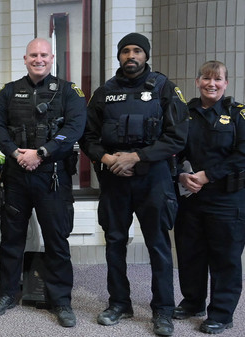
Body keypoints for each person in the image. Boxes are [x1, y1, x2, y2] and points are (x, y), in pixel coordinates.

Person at [79, 33, 189, 336]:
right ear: (119, 56)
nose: (131, 56)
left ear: (146, 55)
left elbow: (177, 137)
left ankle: (163, 310)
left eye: (137, 50)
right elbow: (87, 137)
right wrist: (109, 158)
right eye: (126, 51)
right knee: (114, 243)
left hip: (154, 179)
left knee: (158, 245)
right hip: (115, 179)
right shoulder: (103, 93)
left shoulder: (165, 88)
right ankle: (119, 303)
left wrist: (137, 157)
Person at [0, 38, 86, 327]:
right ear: (25, 58)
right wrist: (17, 153)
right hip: (17, 176)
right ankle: (6, 294)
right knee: (11, 239)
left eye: (43, 54)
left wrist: (42, 153)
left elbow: (76, 127)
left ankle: (62, 301)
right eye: (33, 55)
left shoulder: (69, 91)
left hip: (52, 177)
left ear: (51, 57)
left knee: (56, 240)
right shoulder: (8, 91)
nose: (38, 59)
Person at [173, 61, 245, 334]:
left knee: (225, 258)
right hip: (190, 196)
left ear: (226, 83)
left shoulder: (237, 114)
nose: (211, 84)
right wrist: (181, 175)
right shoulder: (184, 113)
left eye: (217, 79)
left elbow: (242, 154)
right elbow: (173, 149)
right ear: (197, 81)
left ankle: (222, 314)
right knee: (191, 254)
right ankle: (193, 303)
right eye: (206, 78)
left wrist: (208, 175)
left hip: (228, 199)